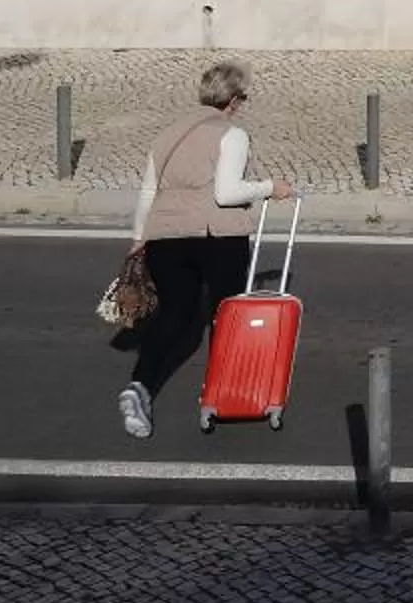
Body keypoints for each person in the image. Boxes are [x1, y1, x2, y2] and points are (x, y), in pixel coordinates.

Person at [118, 61, 290, 439]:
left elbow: (149, 190)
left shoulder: (168, 134)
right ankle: (223, 391)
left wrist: (139, 237)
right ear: (232, 100)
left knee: (175, 315)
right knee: (224, 315)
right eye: (242, 97)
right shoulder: (231, 133)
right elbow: (226, 193)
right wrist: (269, 187)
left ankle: (140, 386)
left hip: (166, 236)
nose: (243, 104)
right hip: (218, 236)